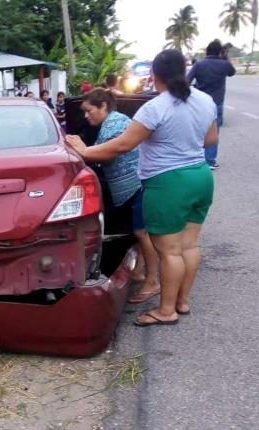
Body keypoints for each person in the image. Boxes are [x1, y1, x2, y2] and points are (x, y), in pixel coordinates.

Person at [66, 49, 218, 326]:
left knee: (169, 251)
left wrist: (84, 151)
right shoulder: (205, 100)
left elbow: (123, 145)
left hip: (169, 183)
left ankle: (167, 310)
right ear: (183, 71)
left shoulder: (155, 107)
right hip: (202, 177)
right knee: (189, 246)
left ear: (154, 75)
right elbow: (210, 139)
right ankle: (182, 302)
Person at [65, 89, 160, 302]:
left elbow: (108, 153)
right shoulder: (110, 124)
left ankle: (152, 281)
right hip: (138, 186)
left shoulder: (116, 124)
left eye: (89, 110)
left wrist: (83, 149)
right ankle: (140, 271)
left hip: (138, 186)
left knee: (143, 233)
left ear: (104, 106)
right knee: (141, 233)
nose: (86, 116)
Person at [187, 39, 235, 170]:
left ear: (207, 52)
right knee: (214, 131)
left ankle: (195, 158)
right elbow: (232, 72)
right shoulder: (224, 64)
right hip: (217, 103)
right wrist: (225, 57)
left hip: (200, 103)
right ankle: (210, 161)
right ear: (219, 52)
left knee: (197, 129)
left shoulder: (199, 65)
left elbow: (187, 81)